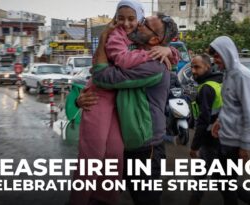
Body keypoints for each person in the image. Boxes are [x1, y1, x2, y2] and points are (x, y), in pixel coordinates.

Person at [69, 1, 178, 204]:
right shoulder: (134, 46)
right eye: (142, 20)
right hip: (126, 142)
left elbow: (103, 77)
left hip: (146, 148)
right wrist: (79, 100)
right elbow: (97, 84)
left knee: (146, 199)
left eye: (144, 23)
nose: (137, 24)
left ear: (155, 39)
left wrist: (102, 38)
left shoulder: (154, 65)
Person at [210, 36, 250, 205]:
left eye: (217, 56)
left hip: (235, 143)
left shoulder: (243, 76)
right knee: (221, 180)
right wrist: (219, 121)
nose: (215, 61)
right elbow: (229, 106)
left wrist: (245, 145)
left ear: (227, 53)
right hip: (225, 138)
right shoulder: (228, 74)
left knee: (227, 186)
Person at [188, 54, 223, 205]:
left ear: (207, 67)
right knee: (223, 181)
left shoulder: (207, 88)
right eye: (192, 66)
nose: (193, 70)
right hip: (222, 138)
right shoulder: (219, 81)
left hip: (210, 140)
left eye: (197, 67)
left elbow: (203, 120)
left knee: (200, 179)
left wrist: (195, 146)